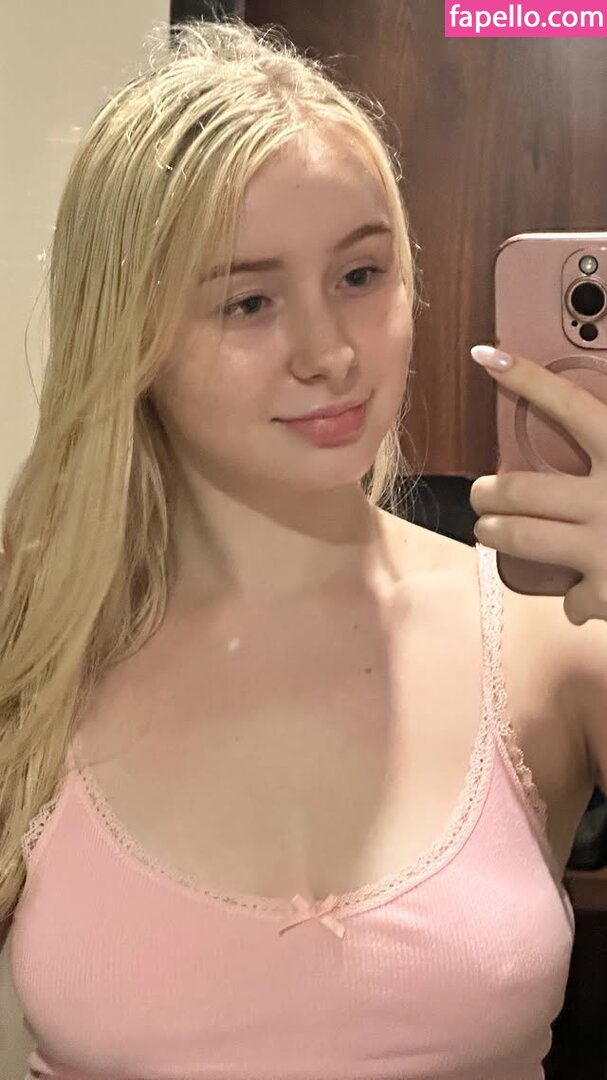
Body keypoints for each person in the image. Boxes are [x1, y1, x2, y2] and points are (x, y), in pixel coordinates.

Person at [1, 13, 607, 1080]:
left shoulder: (552, 638)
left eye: (361, 276)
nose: (329, 354)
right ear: (128, 335)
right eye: (247, 301)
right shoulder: (34, 647)